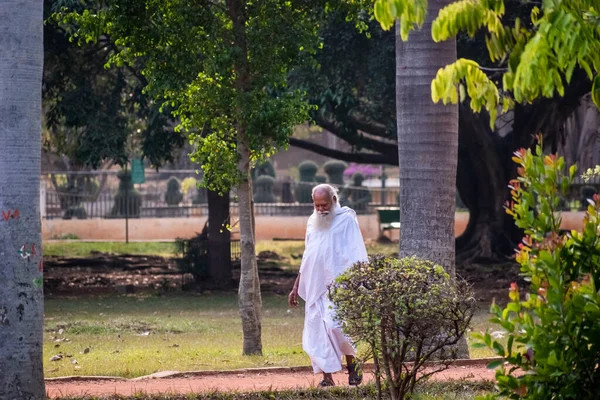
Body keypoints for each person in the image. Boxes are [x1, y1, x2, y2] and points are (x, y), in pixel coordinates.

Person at [288, 183, 368, 387]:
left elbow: (356, 250)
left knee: (337, 325)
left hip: (338, 286)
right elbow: (308, 254)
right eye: (317, 206)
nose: (321, 209)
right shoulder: (312, 222)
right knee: (317, 331)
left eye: (324, 205)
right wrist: (297, 285)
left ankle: (352, 365)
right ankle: (327, 377)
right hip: (315, 284)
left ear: (334, 200)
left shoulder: (347, 219)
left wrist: (359, 280)